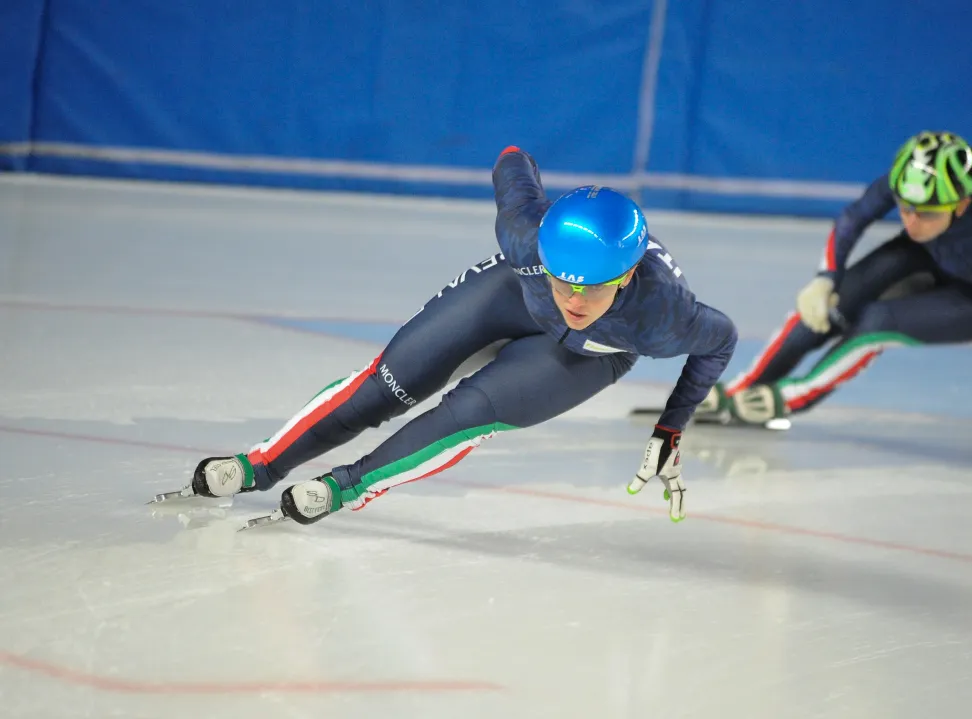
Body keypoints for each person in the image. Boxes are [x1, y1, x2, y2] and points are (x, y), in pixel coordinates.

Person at [150, 146, 738, 527]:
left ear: (629, 274)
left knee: (466, 412)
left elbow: (721, 341)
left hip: (586, 357)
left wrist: (670, 428)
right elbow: (513, 163)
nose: (574, 300)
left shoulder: (666, 316)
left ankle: (342, 487)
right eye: (564, 281)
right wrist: (518, 159)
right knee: (388, 384)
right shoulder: (526, 239)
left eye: (594, 288)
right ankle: (260, 465)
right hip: (509, 292)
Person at [696, 131, 972, 487]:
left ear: (961, 205)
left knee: (877, 322)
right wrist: (825, 277)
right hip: (931, 252)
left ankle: (783, 400)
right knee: (831, 304)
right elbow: (854, 218)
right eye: (904, 208)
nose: (911, 222)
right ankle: (739, 389)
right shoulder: (914, 179)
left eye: (925, 213)